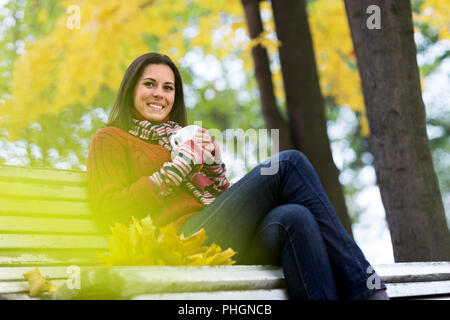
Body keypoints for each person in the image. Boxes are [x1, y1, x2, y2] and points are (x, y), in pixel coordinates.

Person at [87, 52, 389, 300]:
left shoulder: (181, 139)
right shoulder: (110, 139)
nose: (159, 94)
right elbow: (109, 211)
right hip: (175, 245)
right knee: (290, 164)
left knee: (295, 216)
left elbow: (217, 202)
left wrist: (213, 167)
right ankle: (365, 288)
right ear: (131, 90)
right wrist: (174, 172)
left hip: (217, 236)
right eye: (149, 84)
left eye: (168, 88)